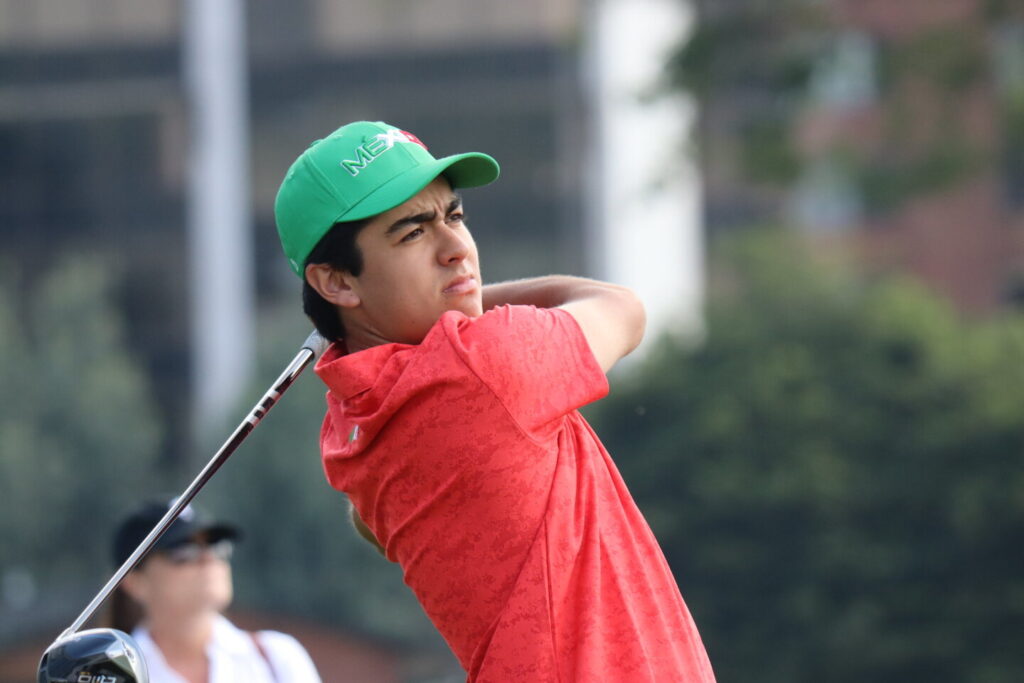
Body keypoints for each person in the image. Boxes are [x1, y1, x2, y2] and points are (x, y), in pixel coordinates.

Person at [274, 120, 716, 681]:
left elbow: (368, 523)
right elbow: (622, 309)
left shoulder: (348, 428)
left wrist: (455, 303)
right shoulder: (486, 365)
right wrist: (470, 302)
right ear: (336, 282)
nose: (456, 248)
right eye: (412, 233)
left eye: (453, 217)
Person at [109, 498, 322, 683]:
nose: (208, 559)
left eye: (216, 546)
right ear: (135, 582)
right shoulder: (110, 675)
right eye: (184, 552)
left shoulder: (278, 657)